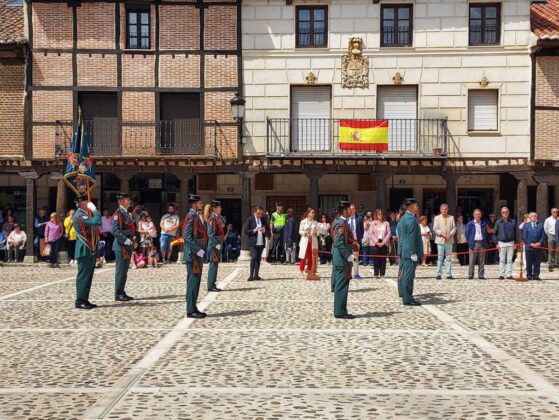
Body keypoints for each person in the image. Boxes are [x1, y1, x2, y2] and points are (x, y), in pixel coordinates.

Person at [72, 196, 101, 310]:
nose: (89, 203)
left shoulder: (84, 213)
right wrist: (95, 210)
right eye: (87, 202)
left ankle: (84, 299)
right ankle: (80, 300)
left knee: (88, 276)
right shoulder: (80, 215)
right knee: (83, 275)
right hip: (84, 248)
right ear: (81, 204)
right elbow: (96, 222)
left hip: (88, 248)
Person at [183, 194, 207, 318]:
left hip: (196, 254)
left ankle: (193, 307)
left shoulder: (195, 215)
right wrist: (197, 250)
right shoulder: (191, 216)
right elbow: (186, 236)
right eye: (200, 203)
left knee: (195, 281)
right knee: (193, 281)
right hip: (192, 254)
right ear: (194, 204)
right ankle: (190, 310)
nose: (202, 205)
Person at [397, 198, 423, 306]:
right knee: (408, 275)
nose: (417, 208)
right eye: (416, 206)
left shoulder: (403, 218)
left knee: (403, 274)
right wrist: (413, 252)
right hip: (409, 252)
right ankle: (407, 298)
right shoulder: (411, 219)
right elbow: (411, 237)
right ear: (411, 207)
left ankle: (403, 293)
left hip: (404, 250)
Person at [331, 201, 355, 319]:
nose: (351, 211)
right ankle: (340, 312)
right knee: (341, 286)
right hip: (341, 258)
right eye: (350, 209)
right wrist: (348, 255)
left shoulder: (341, 222)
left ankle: (341, 310)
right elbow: (339, 242)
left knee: (342, 284)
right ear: (345, 210)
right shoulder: (341, 223)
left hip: (340, 257)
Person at [111, 192, 135, 302]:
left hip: (126, 245)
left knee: (124, 271)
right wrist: (125, 239)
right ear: (121, 201)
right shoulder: (119, 213)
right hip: (121, 246)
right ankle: (118, 293)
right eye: (127, 200)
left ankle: (121, 291)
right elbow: (114, 230)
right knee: (120, 271)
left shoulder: (126, 213)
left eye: (129, 199)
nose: (129, 201)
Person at [244, 206, 270, 281]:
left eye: (261, 214)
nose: (260, 215)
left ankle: (256, 275)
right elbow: (245, 231)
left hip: (261, 242)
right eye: (258, 213)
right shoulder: (250, 219)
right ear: (254, 212)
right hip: (253, 242)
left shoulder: (263, 219)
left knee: (258, 259)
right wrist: (254, 230)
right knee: (254, 257)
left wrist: (264, 231)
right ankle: (251, 275)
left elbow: (268, 230)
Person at [433, 204, 456, 280]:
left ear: (448, 210)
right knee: (440, 258)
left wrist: (450, 234)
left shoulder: (451, 217)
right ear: (440, 210)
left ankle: (449, 274)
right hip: (440, 240)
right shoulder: (437, 218)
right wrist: (442, 234)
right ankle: (438, 274)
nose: (444, 210)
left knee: (448, 258)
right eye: (443, 209)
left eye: (445, 209)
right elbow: (435, 229)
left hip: (449, 240)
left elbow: (454, 228)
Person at [207, 200, 226, 292]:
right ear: (214, 208)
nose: (220, 208)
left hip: (218, 243)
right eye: (219, 207)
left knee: (215, 265)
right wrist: (216, 244)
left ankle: (212, 283)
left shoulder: (218, 217)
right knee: (213, 265)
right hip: (214, 245)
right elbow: (210, 234)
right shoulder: (212, 218)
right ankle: (211, 285)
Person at [367, 209, 391, 278]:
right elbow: (371, 233)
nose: (380, 215)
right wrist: (377, 242)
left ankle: (382, 274)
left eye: (381, 214)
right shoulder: (373, 223)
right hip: (375, 243)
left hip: (384, 242)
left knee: (383, 259)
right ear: (376, 215)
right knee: (376, 259)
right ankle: (376, 274)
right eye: (379, 214)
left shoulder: (386, 223)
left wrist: (383, 242)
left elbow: (389, 234)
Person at [465, 209, 488, 280]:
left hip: (481, 243)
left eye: (479, 214)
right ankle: (471, 274)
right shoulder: (470, 223)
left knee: (481, 260)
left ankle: (481, 275)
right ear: (473, 215)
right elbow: (467, 234)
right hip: (473, 243)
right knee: (472, 260)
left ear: (481, 215)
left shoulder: (483, 223)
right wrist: (470, 242)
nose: (478, 216)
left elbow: (485, 233)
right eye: (476, 214)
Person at [493, 207, 516, 280]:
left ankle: (509, 274)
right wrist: (496, 243)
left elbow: (516, 233)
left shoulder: (513, 222)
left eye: (506, 212)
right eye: (503, 212)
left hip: (511, 242)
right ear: (501, 213)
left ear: (509, 212)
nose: (505, 213)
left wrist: (516, 243)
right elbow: (494, 234)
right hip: (501, 243)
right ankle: (502, 274)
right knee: (502, 259)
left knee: (509, 259)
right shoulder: (498, 222)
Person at [523, 212, 546, 281]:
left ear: (537, 217)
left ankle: (536, 275)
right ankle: (529, 275)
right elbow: (524, 237)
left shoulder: (541, 225)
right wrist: (530, 244)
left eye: (535, 216)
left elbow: (543, 236)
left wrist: (539, 243)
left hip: (538, 247)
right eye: (532, 216)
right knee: (529, 262)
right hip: (529, 247)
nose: (534, 217)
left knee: (537, 262)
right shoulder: (526, 225)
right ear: (529, 217)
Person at [298, 208, 318, 278]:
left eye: (314, 213)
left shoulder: (315, 222)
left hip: (312, 241)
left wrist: (315, 232)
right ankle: (301, 271)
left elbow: (318, 232)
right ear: (308, 213)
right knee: (303, 256)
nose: (313, 214)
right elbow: (300, 231)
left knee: (311, 257)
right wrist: (305, 233)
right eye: (312, 212)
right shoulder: (303, 221)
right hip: (305, 240)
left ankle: (309, 270)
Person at [347, 203, 364, 279]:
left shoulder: (359, 218)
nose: (352, 210)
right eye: (350, 209)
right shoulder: (346, 219)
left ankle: (356, 273)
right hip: (348, 241)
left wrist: (358, 240)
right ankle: (348, 272)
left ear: (355, 209)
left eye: (353, 209)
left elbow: (362, 230)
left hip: (356, 241)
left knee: (356, 257)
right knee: (348, 257)